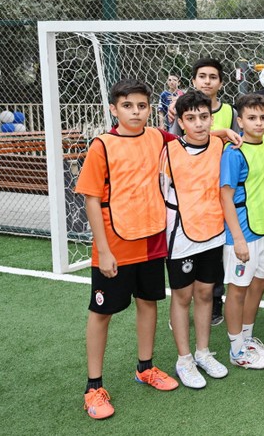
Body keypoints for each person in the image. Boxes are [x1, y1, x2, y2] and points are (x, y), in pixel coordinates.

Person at [76, 79, 179, 420]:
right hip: (115, 244)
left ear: (150, 108)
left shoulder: (158, 138)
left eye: (142, 106)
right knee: (102, 312)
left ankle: (145, 367)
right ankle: (93, 387)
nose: (136, 112)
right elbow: (91, 200)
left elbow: (192, 142)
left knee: (148, 302)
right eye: (128, 106)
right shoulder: (102, 145)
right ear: (114, 109)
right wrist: (103, 250)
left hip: (151, 239)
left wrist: (222, 135)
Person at [162, 90, 229, 388]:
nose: (199, 124)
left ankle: (203, 352)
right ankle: (184, 359)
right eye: (191, 118)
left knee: (205, 294)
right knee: (182, 296)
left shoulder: (220, 143)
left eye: (204, 117)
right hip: (181, 237)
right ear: (181, 121)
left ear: (211, 118)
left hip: (213, 233)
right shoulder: (168, 151)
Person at [169, 58, 241, 327]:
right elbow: (175, 143)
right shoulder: (178, 123)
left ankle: (214, 304)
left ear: (221, 82)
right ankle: (184, 317)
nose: (207, 80)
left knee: (213, 267)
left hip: (217, 202)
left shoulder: (230, 113)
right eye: (202, 76)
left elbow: (237, 142)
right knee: (185, 286)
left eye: (213, 76)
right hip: (187, 214)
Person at [220, 93, 264, 370]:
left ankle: (247, 337)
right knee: (237, 291)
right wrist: (239, 239)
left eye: (263, 118)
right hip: (242, 235)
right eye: (251, 118)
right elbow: (225, 197)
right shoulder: (233, 153)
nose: (258, 123)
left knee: (258, 285)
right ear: (240, 121)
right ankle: (235, 350)